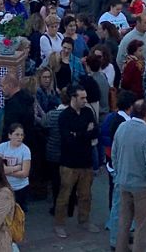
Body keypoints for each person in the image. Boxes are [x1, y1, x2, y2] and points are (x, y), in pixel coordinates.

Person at [111, 98, 146, 252]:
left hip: (124, 183)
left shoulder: (122, 128)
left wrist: (119, 174)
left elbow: (114, 154)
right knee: (142, 227)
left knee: (123, 223)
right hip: (142, 187)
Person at [52, 86, 95, 237]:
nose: (85, 101)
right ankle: (59, 224)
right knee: (64, 195)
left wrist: (78, 134)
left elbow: (95, 131)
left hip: (86, 161)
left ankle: (84, 220)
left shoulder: (88, 112)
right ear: (73, 98)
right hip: (69, 163)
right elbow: (68, 140)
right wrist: (85, 133)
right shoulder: (64, 116)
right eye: (82, 98)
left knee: (85, 195)